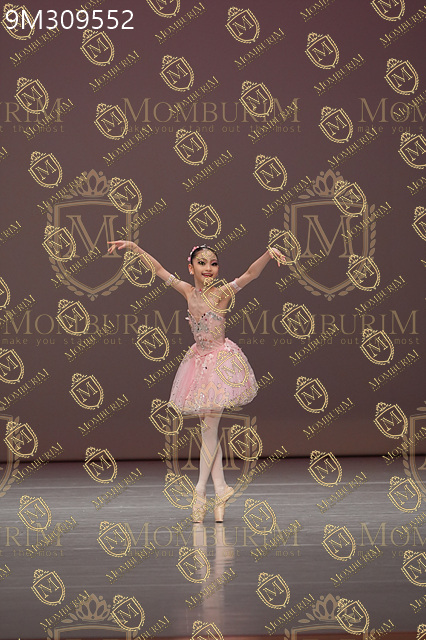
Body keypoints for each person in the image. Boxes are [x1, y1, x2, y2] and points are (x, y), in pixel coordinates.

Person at [107, 239, 286, 523]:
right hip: (198, 363)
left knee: (209, 429)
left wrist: (267, 253)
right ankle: (221, 488)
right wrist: (136, 249)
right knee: (208, 431)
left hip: (220, 365)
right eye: (202, 263)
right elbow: (159, 270)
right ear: (191, 268)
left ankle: (200, 491)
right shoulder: (187, 291)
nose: (208, 268)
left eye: (213, 263)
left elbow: (250, 274)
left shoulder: (223, 293)